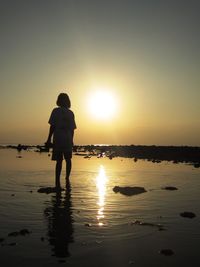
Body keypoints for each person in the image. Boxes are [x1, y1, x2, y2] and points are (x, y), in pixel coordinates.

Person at [45, 93, 76, 188]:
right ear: (68, 101)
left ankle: (57, 181)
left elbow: (52, 126)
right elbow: (72, 129)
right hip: (67, 138)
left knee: (59, 161)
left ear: (58, 101)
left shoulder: (55, 111)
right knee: (68, 159)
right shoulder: (70, 113)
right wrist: (71, 140)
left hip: (58, 138)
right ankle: (67, 178)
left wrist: (48, 139)